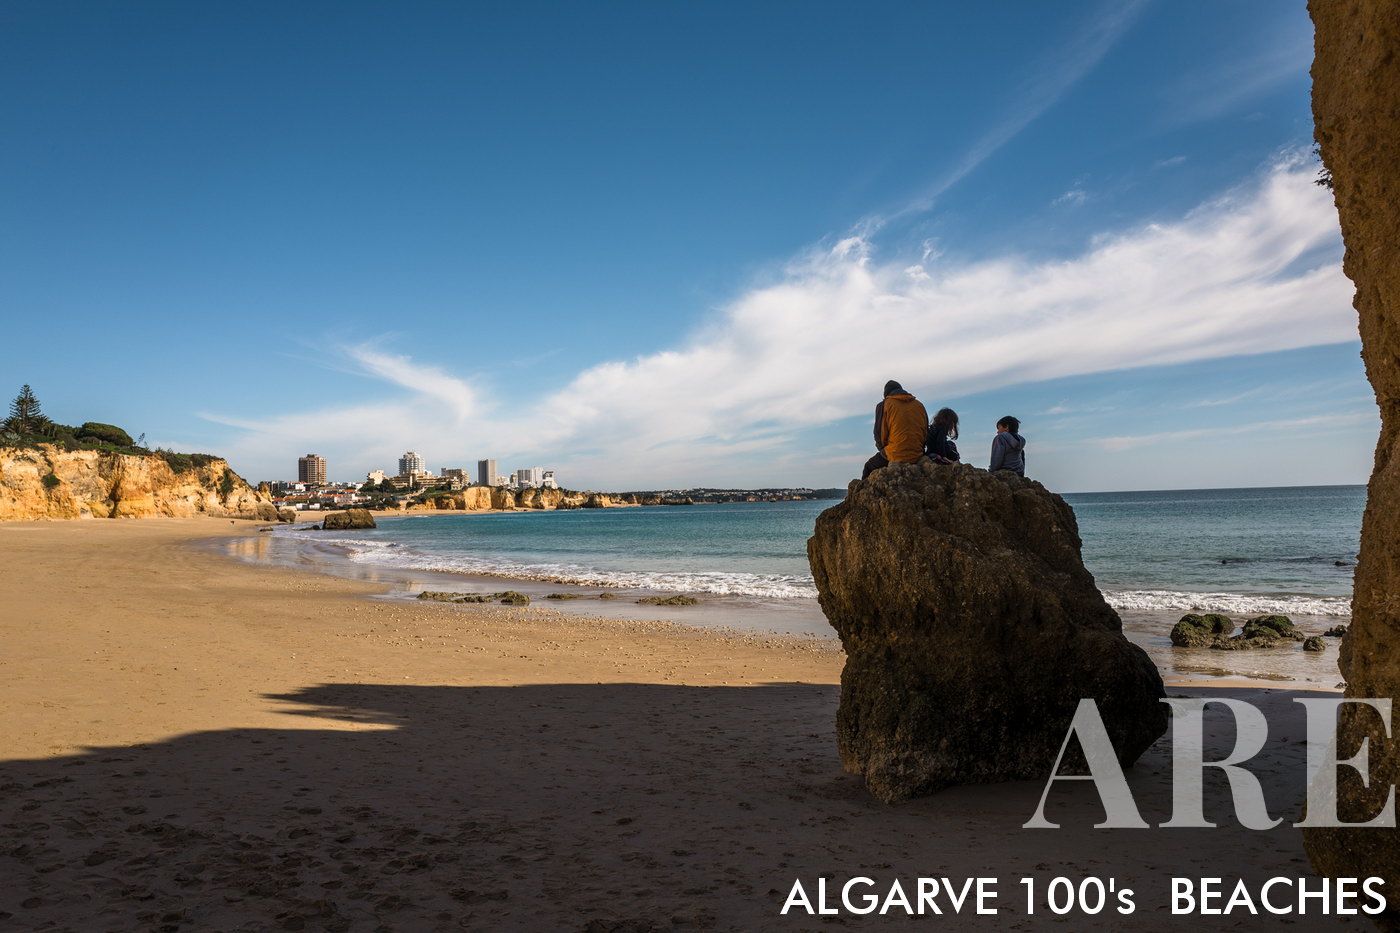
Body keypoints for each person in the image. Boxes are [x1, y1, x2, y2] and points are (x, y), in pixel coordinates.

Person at [861, 380, 930, 480]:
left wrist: (883, 449)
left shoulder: (885, 404)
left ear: (886, 395)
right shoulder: (920, 405)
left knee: (869, 467)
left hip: (896, 454)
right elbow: (925, 432)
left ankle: (864, 494)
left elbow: (879, 435)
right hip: (917, 454)